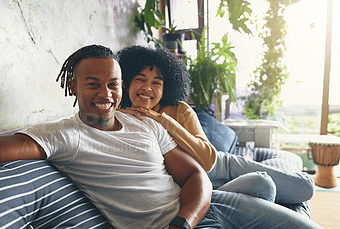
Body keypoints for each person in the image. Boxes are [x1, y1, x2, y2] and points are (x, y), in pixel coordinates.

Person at [0, 45, 339, 229]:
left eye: (112, 83)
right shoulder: (62, 135)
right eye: (92, 83)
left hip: (208, 207)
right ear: (72, 86)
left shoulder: (146, 123)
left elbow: (196, 176)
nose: (105, 93)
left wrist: (183, 220)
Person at [117, 45, 314, 208]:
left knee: (304, 187)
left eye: (156, 83)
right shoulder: (120, 118)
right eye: (140, 80)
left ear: (165, 88)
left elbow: (208, 160)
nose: (148, 88)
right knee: (262, 185)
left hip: (222, 166)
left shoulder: (180, 110)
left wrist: (162, 120)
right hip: (199, 185)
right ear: (126, 84)